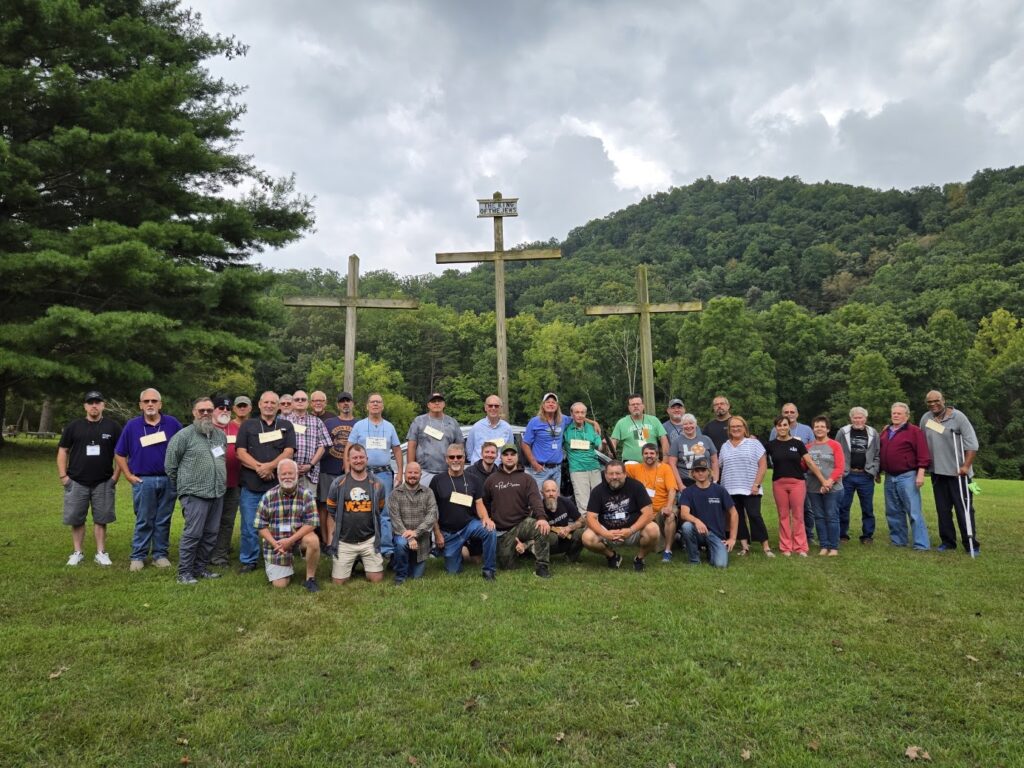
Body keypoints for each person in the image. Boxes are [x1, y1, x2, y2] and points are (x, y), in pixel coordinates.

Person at [114, 387, 182, 571]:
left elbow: (185, 448)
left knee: (163, 520)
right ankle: (138, 556)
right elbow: (119, 453)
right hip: (144, 481)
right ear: (140, 405)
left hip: (168, 480)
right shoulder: (132, 426)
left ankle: (160, 555)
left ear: (160, 404)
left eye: (154, 401)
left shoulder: (172, 424)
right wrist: (128, 475)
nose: (150, 404)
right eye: (146, 401)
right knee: (144, 519)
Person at [164, 397, 227, 584]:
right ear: (194, 413)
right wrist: (185, 487)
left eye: (209, 410)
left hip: (217, 492)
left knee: (211, 534)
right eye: (201, 410)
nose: (206, 414)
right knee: (193, 534)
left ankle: (200, 568)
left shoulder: (220, 435)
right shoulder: (183, 436)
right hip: (194, 494)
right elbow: (170, 466)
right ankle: (184, 573)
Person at [57, 390, 122, 566]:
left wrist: (115, 477)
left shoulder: (113, 427)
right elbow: (63, 450)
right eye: (90, 402)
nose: (94, 405)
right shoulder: (74, 427)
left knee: (102, 518)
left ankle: (101, 552)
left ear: (103, 405)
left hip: (104, 481)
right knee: (76, 518)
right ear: (85, 406)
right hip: (77, 481)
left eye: (97, 402)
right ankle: (77, 552)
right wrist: (63, 476)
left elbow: (121, 453)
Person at [235, 391, 296, 573]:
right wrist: (260, 468)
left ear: (278, 406)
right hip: (251, 484)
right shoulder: (248, 425)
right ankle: (249, 560)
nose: (269, 406)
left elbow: (289, 451)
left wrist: (270, 467)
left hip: (277, 486)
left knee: (280, 524)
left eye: (273, 403)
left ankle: (280, 554)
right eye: (266, 402)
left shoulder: (286, 425)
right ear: (260, 405)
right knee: (249, 525)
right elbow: (240, 452)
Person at [920, 391, 980, 553]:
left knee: (964, 509)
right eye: (929, 402)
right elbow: (920, 440)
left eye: (936, 400)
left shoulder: (958, 417)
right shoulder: (926, 418)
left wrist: (966, 466)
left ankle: (970, 543)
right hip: (938, 473)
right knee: (943, 510)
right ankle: (948, 542)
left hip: (958, 473)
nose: (933, 404)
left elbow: (972, 444)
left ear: (944, 400)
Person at [347, 392, 403, 558]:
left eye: (378, 402)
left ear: (382, 406)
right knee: (361, 508)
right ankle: (362, 545)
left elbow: (397, 450)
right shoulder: (359, 426)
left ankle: (386, 548)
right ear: (367, 406)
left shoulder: (390, 427)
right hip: (362, 473)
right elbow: (349, 448)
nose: (375, 404)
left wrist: (400, 473)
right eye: (372, 402)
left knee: (384, 512)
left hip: (383, 474)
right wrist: (348, 471)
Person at [483, 445, 552, 578]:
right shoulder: (491, 479)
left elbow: (535, 499)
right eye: (506, 454)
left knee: (540, 527)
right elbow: (484, 503)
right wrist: (487, 518)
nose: (509, 457)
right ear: (501, 457)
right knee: (506, 565)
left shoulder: (527, 479)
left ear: (517, 457)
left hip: (521, 524)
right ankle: (521, 549)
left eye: (512, 454)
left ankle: (542, 567)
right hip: (502, 530)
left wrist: (542, 517)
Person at [430, 444, 497, 580]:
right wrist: (437, 533)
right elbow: (431, 509)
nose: (455, 460)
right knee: (453, 571)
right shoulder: (437, 480)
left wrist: (486, 518)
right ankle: (458, 552)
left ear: (464, 458)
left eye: (459, 457)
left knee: (490, 531)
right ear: (446, 459)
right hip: (449, 532)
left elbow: (479, 503)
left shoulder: (473, 479)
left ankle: (489, 570)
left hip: (469, 525)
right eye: (452, 457)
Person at [254, 459, 321, 591]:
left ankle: (310, 579)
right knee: (280, 585)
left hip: (298, 539)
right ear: (278, 476)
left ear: (297, 475)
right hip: (277, 543)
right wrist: (275, 544)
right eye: (283, 474)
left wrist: (290, 541)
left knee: (313, 540)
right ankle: (286, 568)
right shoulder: (268, 496)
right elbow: (260, 525)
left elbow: (312, 523)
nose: (287, 477)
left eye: (290, 473)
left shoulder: (306, 494)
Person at [325, 444, 387, 585]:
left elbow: (379, 507)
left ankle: (362, 560)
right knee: (338, 582)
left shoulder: (378, 483)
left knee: (377, 579)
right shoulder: (338, 482)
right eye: (355, 458)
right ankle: (351, 561)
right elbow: (331, 508)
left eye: (361, 457)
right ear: (348, 460)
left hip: (369, 540)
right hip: (345, 541)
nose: (358, 460)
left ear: (367, 459)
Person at [582, 460, 659, 571]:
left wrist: (631, 530)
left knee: (653, 530)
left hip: (632, 530)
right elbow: (590, 517)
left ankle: (640, 558)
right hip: (608, 531)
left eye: (618, 473)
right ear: (605, 475)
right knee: (587, 538)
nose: (614, 477)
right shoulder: (597, 491)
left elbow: (648, 513)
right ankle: (612, 556)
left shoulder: (636, 486)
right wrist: (605, 533)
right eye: (611, 474)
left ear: (625, 474)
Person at [767, 415, 827, 556]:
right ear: (776, 428)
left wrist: (823, 480)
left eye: (785, 425)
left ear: (789, 426)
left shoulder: (798, 444)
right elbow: (759, 460)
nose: (782, 428)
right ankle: (786, 547)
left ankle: (800, 547)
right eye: (779, 425)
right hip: (779, 483)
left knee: (798, 515)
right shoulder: (770, 445)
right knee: (783, 515)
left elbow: (810, 462)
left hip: (797, 483)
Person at [718, 416, 773, 557]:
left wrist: (756, 484)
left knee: (754, 515)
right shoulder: (725, 446)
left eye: (739, 426)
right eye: (733, 427)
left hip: (750, 488)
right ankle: (744, 546)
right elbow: (720, 466)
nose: (736, 429)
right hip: (730, 488)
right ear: (729, 430)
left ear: (744, 428)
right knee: (738, 517)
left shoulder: (754, 443)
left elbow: (763, 465)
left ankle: (766, 547)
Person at [879, 402, 931, 550]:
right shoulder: (886, 431)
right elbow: (880, 452)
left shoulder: (914, 431)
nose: (895, 415)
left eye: (899, 413)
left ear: (906, 416)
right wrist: (878, 472)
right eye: (893, 413)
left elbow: (923, 453)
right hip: (889, 477)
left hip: (907, 476)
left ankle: (921, 544)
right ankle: (898, 541)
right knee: (893, 511)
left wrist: (920, 473)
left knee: (913, 511)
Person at [679, 457, 739, 567]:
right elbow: (684, 513)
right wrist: (697, 521)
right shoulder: (687, 492)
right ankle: (694, 560)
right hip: (698, 532)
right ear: (693, 474)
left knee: (720, 565)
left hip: (716, 535)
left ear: (709, 472)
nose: (700, 473)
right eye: (697, 471)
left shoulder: (720, 490)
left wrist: (732, 538)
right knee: (687, 526)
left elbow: (734, 513)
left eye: (703, 470)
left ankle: (710, 551)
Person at [770, 402, 816, 545]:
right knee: (783, 514)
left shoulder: (804, 433)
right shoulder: (772, 438)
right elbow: (765, 456)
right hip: (779, 479)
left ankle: (805, 540)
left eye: (792, 412)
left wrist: (822, 478)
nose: (789, 414)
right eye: (786, 412)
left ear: (797, 414)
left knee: (802, 511)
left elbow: (811, 456)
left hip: (800, 477)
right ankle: (786, 544)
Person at [626, 443, 679, 562]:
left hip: (661, 509)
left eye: (652, 453)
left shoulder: (665, 468)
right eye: (646, 453)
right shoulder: (635, 468)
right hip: (643, 511)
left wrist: (669, 506)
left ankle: (668, 551)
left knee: (670, 515)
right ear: (642, 455)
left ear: (657, 455)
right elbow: (616, 469)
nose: (649, 456)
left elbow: (672, 489)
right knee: (652, 545)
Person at [387, 462, 438, 584]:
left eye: (416, 473)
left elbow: (432, 515)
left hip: (421, 539)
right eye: (410, 472)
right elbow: (395, 519)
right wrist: (409, 537)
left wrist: (416, 532)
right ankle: (400, 577)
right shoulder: (395, 493)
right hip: (402, 536)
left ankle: (397, 561)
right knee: (401, 544)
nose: (413, 475)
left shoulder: (428, 492)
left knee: (416, 576)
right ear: (405, 474)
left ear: (420, 475)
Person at [319, 392, 357, 551]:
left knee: (351, 507)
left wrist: (349, 462)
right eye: (342, 401)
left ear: (353, 404)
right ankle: (327, 542)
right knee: (326, 507)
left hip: (351, 472)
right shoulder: (328, 423)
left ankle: (347, 541)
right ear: (337, 405)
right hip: (328, 469)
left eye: (348, 401)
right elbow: (321, 444)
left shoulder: (359, 423)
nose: (345, 404)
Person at [836, 407, 880, 544]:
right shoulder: (843, 432)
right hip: (847, 475)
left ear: (865, 419)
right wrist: (840, 471)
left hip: (865, 475)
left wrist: (873, 470)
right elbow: (836, 451)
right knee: (843, 506)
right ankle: (842, 535)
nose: (858, 420)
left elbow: (877, 454)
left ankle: (867, 536)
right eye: (855, 417)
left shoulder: (873, 433)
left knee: (867, 508)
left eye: (860, 417)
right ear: (851, 418)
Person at [210, 395, 244, 566]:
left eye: (228, 409)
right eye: (221, 408)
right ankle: (205, 553)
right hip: (210, 484)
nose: (224, 411)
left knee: (227, 521)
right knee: (210, 521)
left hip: (233, 483)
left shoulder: (237, 428)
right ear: (213, 410)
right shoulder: (206, 428)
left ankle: (220, 555)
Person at [805, 416, 845, 556]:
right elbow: (804, 466)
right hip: (813, 488)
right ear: (813, 429)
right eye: (816, 426)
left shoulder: (835, 445)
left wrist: (829, 482)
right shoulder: (808, 447)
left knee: (831, 516)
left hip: (833, 488)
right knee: (819, 517)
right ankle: (824, 545)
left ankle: (833, 547)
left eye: (822, 426)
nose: (819, 429)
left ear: (828, 429)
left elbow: (840, 467)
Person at [406, 391, 463, 487]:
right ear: (428, 405)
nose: (437, 403)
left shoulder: (453, 423)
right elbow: (411, 446)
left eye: (439, 401)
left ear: (444, 404)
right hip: (423, 472)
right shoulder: (419, 421)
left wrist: (458, 471)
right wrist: (411, 469)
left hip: (447, 472)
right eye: (433, 401)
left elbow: (460, 448)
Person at [282, 390, 331, 498]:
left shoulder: (317, 422)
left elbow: (322, 446)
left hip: (309, 473)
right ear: (292, 403)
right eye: (297, 399)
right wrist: (290, 466)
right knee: (287, 504)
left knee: (308, 505)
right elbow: (277, 446)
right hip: (287, 472)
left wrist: (310, 465)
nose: (300, 401)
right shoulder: (283, 421)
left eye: (303, 399)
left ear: (308, 403)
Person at [521, 392, 572, 491]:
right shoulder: (535, 421)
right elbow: (525, 444)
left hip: (556, 470)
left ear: (557, 406)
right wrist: (534, 464)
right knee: (538, 498)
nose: (551, 404)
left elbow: (578, 417)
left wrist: (593, 422)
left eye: (553, 402)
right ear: (543, 405)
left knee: (554, 498)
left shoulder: (563, 420)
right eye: (548, 402)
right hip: (540, 470)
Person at [564, 401, 603, 512]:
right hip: (577, 470)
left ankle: (600, 522)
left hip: (594, 468)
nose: (580, 415)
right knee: (583, 503)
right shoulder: (565, 428)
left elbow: (599, 447)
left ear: (585, 414)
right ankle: (586, 522)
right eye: (577, 412)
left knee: (599, 500)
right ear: (571, 414)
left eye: (582, 412)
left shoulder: (592, 428)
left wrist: (604, 445)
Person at [610, 393, 668, 462]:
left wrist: (665, 458)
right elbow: (613, 441)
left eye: (638, 404)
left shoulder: (654, 420)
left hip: (652, 462)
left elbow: (664, 439)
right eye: (633, 404)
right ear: (629, 407)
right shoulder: (621, 423)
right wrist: (612, 450)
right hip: (631, 464)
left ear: (643, 406)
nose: (635, 406)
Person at [666, 413, 718, 488]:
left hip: (706, 480)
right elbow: (672, 464)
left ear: (696, 424)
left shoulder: (706, 439)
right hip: (686, 481)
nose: (688, 426)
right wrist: (680, 484)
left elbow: (714, 461)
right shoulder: (677, 442)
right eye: (685, 424)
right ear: (682, 426)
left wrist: (715, 480)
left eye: (691, 423)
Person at [540, 479, 585, 563]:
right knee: (552, 537)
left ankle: (570, 558)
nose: (551, 494)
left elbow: (582, 521)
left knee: (582, 533)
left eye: (553, 491)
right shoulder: (539, 508)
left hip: (566, 537)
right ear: (542, 493)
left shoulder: (566, 502)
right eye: (547, 491)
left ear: (558, 492)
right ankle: (543, 559)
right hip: (549, 542)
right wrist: (556, 530)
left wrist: (568, 528)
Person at [465, 394, 514, 464]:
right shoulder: (476, 427)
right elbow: (469, 451)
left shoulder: (507, 428)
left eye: (496, 406)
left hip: (498, 469)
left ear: (500, 408)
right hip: (478, 469)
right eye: (490, 405)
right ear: (485, 408)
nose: (493, 408)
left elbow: (510, 451)